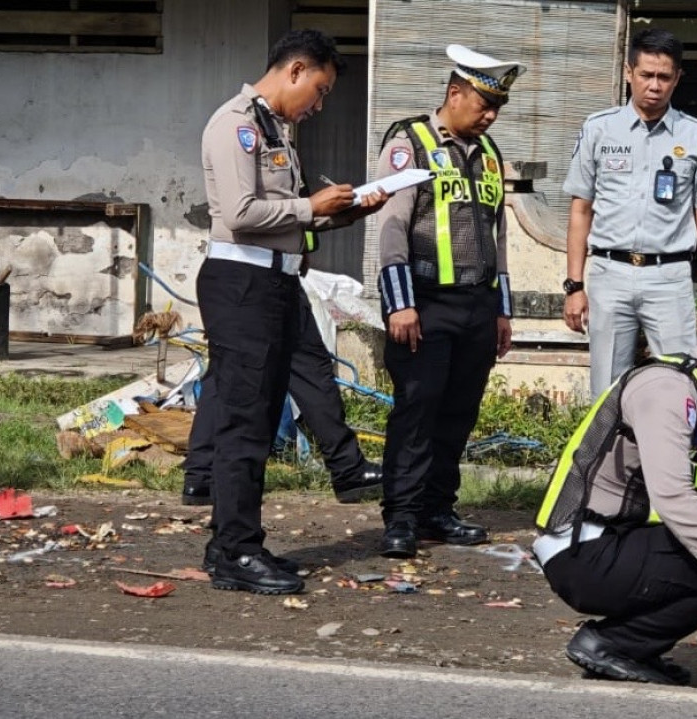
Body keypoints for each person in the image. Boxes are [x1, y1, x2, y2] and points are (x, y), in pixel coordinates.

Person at [192, 29, 386, 595]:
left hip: (277, 281)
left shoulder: (277, 129)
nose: (320, 105)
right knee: (244, 422)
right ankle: (234, 551)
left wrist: (345, 212)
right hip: (241, 283)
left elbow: (287, 221)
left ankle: (237, 542)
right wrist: (310, 204)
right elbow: (241, 211)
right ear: (296, 70)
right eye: (320, 91)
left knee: (264, 408)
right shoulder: (236, 124)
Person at [533, 294, 697, 686]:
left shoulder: (694, 388)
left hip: (605, 543)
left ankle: (630, 646)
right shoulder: (668, 390)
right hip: (583, 554)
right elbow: (674, 500)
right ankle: (610, 643)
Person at [373, 45, 524, 559]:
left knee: (458, 413)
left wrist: (502, 310)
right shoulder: (408, 141)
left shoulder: (490, 154)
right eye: (483, 104)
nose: (491, 115)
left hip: (477, 306)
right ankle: (402, 517)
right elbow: (392, 226)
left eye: (496, 107)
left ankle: (438, 510)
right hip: (424, 301)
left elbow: (498, 235)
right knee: (417, 411)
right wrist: (398, 304)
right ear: (454, 93)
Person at [561, 28, 697, 399]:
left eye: (664, 77)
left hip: (668, 277)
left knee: (684, 384)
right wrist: (575, 285)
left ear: (678, 78)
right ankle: (608, 458)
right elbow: (581, 210)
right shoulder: (599, 129)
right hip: (609, 273)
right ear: (628, 72)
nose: (655, 85)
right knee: (607, 390)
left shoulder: (696, 135)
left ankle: (674, 458)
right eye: (646, 75)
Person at [181, 287, 384, 513]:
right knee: (309, 368)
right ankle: (347, 467)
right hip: (272, 276)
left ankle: (200, 475)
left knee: (224, 368)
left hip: (225, 278)